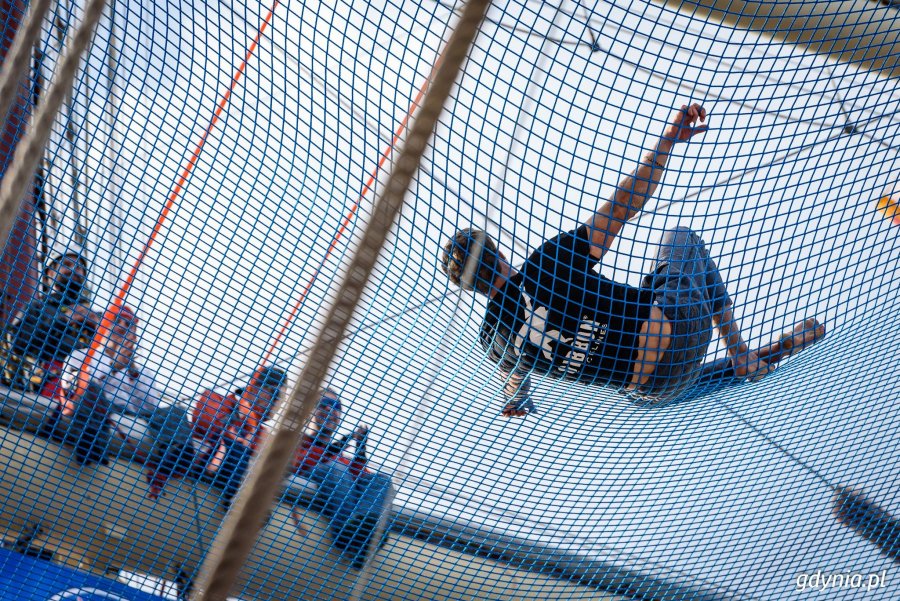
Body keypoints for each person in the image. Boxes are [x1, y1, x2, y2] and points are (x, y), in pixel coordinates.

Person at [440, 104, 825, 413]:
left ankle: (750, 362)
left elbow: (516, 375)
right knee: (679, 239)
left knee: (644, 387)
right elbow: (624, 206)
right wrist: (668, 141)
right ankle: (741, 354)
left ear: (469, 288)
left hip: (656, 393)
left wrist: (516, 400)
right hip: (682, 332)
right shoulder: (544, 265)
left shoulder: (493, 339)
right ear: (500, 252)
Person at [1, 247, 99, 394]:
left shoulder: (94, 317)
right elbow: (16, 342)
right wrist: (63, 320)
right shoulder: (36, 308)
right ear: (49, 274)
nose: (74, 270)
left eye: (79, 267)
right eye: (67, 264)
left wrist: (101, 331)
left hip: (86, 390)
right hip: (42, 387)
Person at [192, 366, 287, 504]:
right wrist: (238, 416)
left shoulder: (261, 432)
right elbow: (207, 424)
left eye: (283, 398)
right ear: (255, 387)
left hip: (229, 475)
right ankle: (239, 503)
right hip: (207, 467)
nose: (278, 402)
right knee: (237, 445)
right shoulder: (217, 400)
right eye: (276, 394)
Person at [293, 388, 369, 478]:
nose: (329, 408)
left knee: (381, 480)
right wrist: (337, 446)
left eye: (336, 405)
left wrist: (361, 448)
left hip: (340, 481)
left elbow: (362, 477)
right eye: (323, 403)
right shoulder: (295, 442)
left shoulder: (340, 457)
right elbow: (300, 464)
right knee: (337, 468)